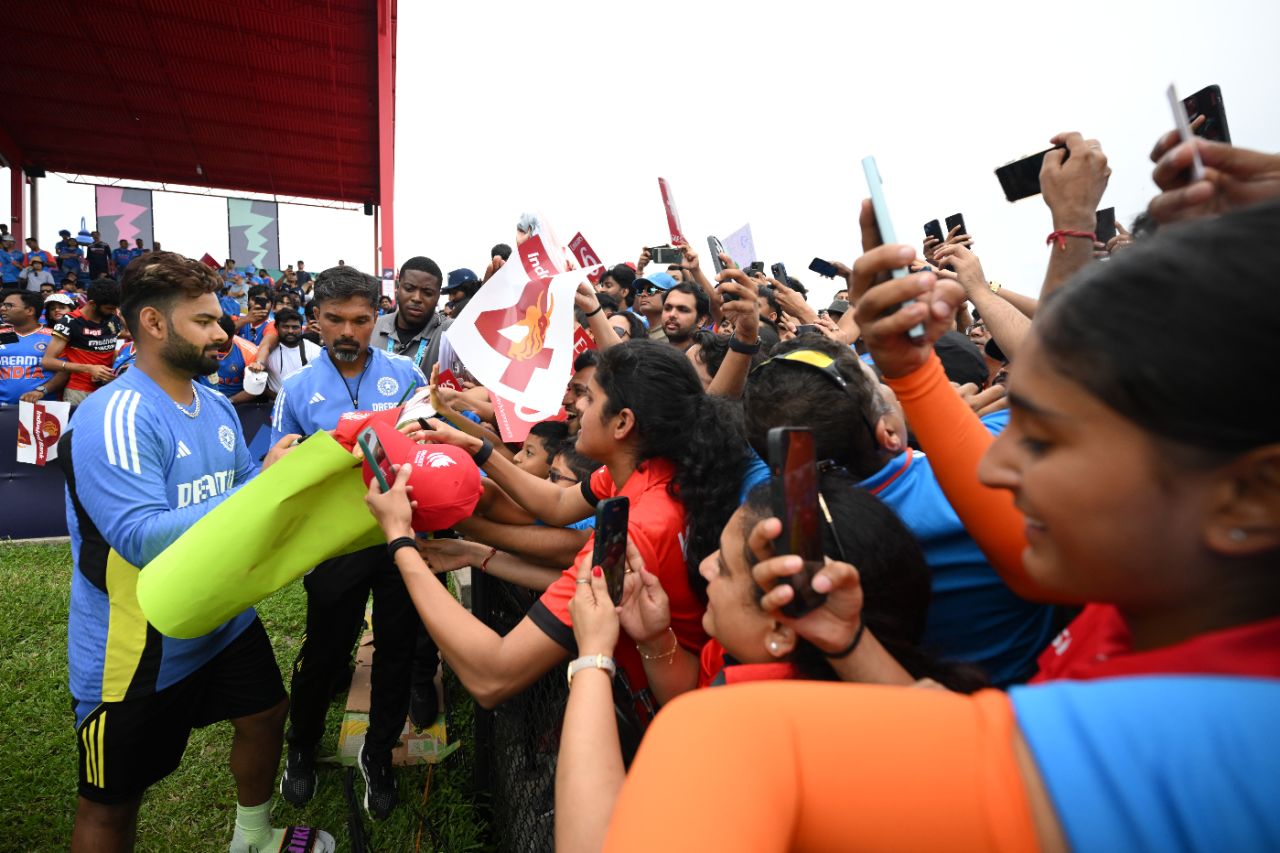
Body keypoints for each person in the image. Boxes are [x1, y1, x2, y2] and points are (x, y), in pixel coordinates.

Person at [586, 194, 1280, 853]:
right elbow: (964, 687)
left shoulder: (1238, 737)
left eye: (1046, 439)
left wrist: (594, 661)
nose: (997, 466)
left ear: (1249, 495)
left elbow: (710, 744)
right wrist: (855, 643)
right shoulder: (1149, 591)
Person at [57, 251, 330, 853]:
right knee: (111, 805)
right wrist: (262, 485)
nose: (223, 332)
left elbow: (241, 499)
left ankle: (252, 839)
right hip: (138, 642)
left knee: (265, 714)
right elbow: (141, 537)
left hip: (221, 615)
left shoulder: (213, 404)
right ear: (154, 324)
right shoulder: (117, 414)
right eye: (205, 321)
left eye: (220, 319)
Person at [363, 340, 751, 726]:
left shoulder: (633, 534)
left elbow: (495, 673)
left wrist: (399, 540)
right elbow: (559, 505)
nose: (577, 406)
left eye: (590, 397)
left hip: (669, 720)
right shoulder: (650, 469)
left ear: (623, 423)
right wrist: (478, 449)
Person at [271, 265, 431, 820]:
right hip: (334, 547)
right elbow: (275, 468)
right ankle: (300, 745)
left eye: (361, 319)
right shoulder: (295, 389)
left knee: (396, 650)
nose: (348, 331)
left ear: (375, 319)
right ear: (316, 319)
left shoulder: (407, 373)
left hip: (399, 538)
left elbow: (431, 446)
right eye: (335, 319)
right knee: (324, 653)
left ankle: (379, 753)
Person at [41, 278, 123, 406]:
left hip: (109, 390)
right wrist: (89, 368)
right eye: (109, 308)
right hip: (79, 392)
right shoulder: (69, 322)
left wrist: (121, 364)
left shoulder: (113, 318)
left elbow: (110, 351)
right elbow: (47, 361)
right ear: (92, 304)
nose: (114, 312)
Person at [370, 256, 452, 373]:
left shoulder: (450, 332)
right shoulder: (373, 326)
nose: (416, 298)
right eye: (409, 289)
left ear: (438, 296)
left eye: (427, 293)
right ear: (398, 289)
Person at [0, 289, 59, 404]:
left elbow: (63, 372)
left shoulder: (53, 336)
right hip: (3, 407)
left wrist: (41, 391)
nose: (2, 308)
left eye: (9, 305)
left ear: (30, 310)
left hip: (42, 407)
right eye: (2, 305)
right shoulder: (3, 335)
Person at [258, 307, 320, 397]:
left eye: (295, 327)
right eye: (285, 327)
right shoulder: (266, 352)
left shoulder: (315, 351)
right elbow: (258, 382)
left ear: (301, 328)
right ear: (276, 327)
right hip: (274, 403)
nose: (290, 331)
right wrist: (280, 400)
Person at [197, 315, 261, 402]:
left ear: (231, 336)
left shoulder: (250, 352)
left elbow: (253, 390)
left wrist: (228, 402)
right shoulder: (197, 345)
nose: (213, 342)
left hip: (234, 402)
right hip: (201, 398)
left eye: (219, 340)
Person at [658, 281, 710, 352]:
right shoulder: (655, 355)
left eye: (683, 310)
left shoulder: (712, 357)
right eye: (667, 308)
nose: (672, 314)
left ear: (701, 320)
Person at [633, 273, 676, 340]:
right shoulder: (638, 334)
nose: (643, 294)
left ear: (670, 296)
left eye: (651, 290)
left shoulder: (675, 335)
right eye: (640, 291)